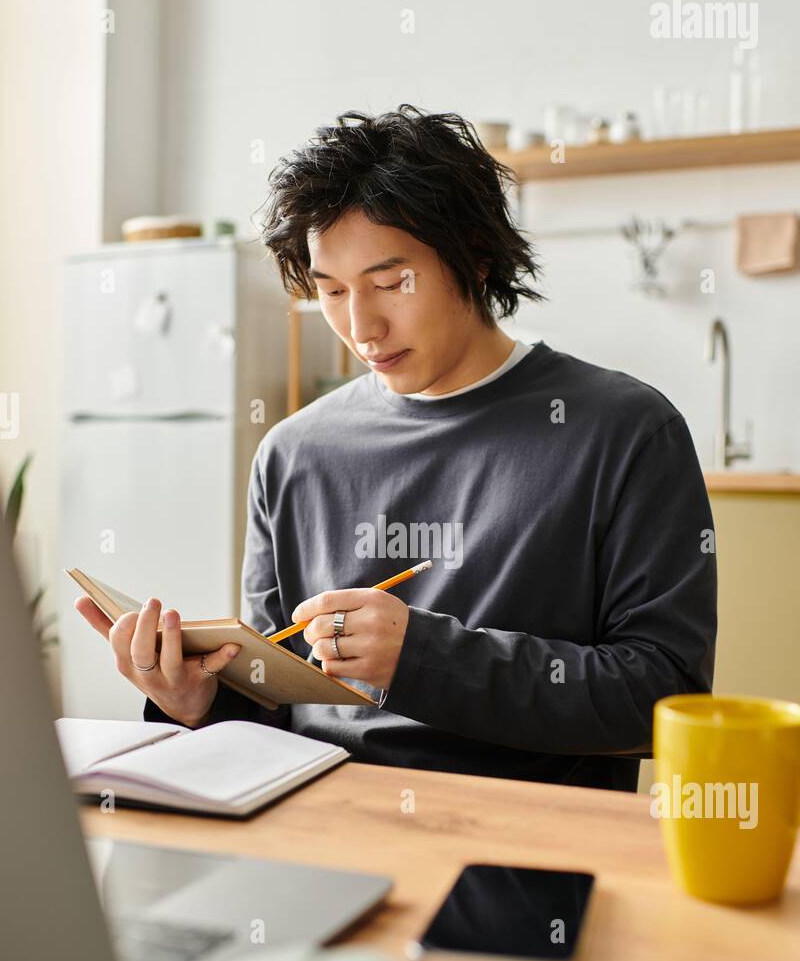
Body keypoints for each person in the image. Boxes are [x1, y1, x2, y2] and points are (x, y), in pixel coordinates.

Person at [77, 104, 717, 791]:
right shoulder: (293, 452)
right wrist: (195, 701)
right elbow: (273, 700)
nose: (362, 327)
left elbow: (666, 701)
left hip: (519, 837)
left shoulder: (625, 432)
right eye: (331, 291)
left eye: (390, 284)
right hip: (315, 817)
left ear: (474, 256)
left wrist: (426, 658)